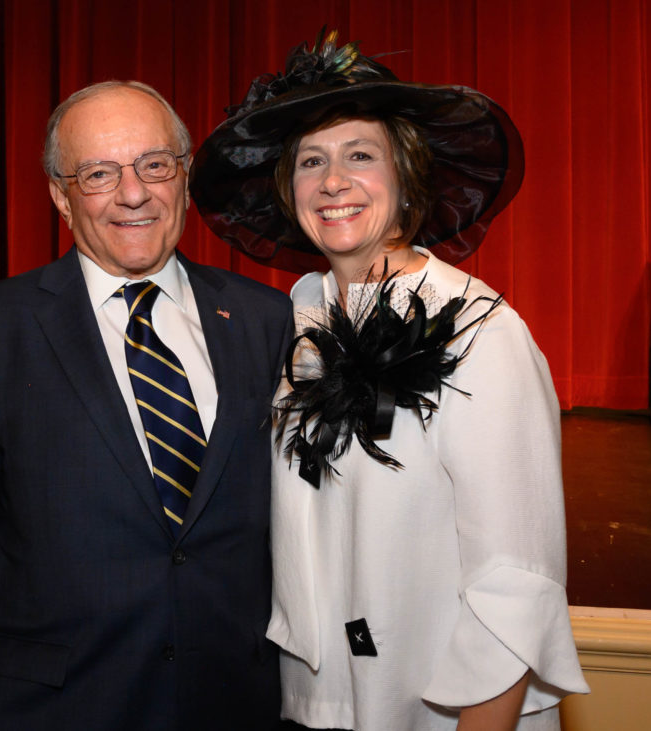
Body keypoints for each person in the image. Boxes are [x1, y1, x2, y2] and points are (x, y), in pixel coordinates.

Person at [190, 30, 590, 730]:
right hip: (309, 704)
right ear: (289, 189)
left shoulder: (479, 332)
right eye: (311, 160)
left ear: (406, 177)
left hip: (437, 710)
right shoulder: (295, 318)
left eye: (360, 156)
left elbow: (516, 584)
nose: (333, 181)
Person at [0, 81, 293, 730]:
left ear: (185, 177)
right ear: (60, 193)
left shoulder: (263, 318)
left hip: (232, 705)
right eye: (98, 173)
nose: (133, 192)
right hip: (57, 709)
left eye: (154, 165)